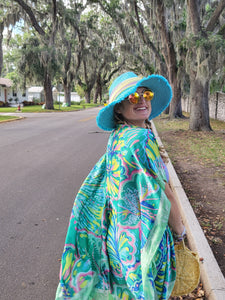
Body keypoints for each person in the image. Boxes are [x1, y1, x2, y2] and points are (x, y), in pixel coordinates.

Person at [55, 72, 186, 300]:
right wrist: (180, 232)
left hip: (119, 240)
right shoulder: (141, 140)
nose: (142, 100)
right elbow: (165, 195)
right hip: (145, 241)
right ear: (118, 108)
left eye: (146, 94)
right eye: (133, 97)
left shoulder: (117, 137)